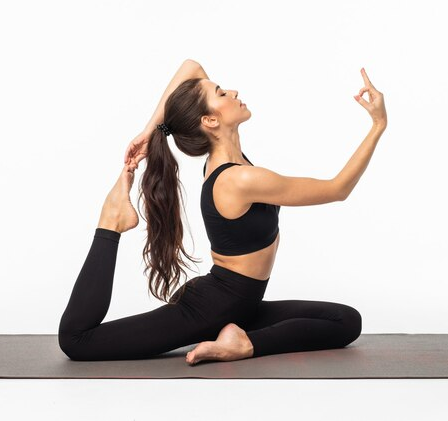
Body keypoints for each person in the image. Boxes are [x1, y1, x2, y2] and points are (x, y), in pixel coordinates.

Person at [58, 59, 387, 364]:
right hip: (209, 310)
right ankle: (111, 221)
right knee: (77, 341)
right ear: (210, 120)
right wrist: (377, 125)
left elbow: (191, 66)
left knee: (345, 321)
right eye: (221, 92)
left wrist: (148, 131)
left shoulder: (229, 163)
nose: (234, 92)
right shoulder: (239, 179)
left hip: (238, 305)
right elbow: (338, 189)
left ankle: (239, 338)